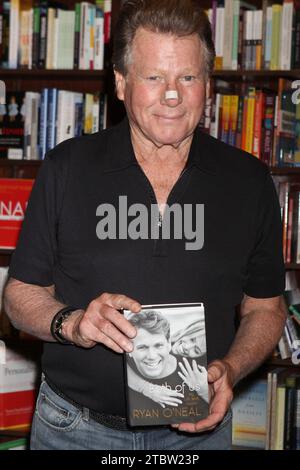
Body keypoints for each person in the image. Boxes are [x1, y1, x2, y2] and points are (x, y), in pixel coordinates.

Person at [3, 0, 286, 450]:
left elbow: (265, 309)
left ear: (207, 85)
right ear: (121, 82)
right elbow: (19, 297)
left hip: (198, 434)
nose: (172, 95)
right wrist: (72, 324)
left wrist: (230, 369)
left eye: (187, 78)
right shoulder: (67, 168)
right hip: (72, 430)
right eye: (154, 77)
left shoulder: (249, 181)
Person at [126, 310, 208, 426]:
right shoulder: (150, 336)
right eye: (192, 339)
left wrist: (203, 390)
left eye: (196, 350)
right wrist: (146, 388)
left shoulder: (197, 368)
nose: (186, 347)